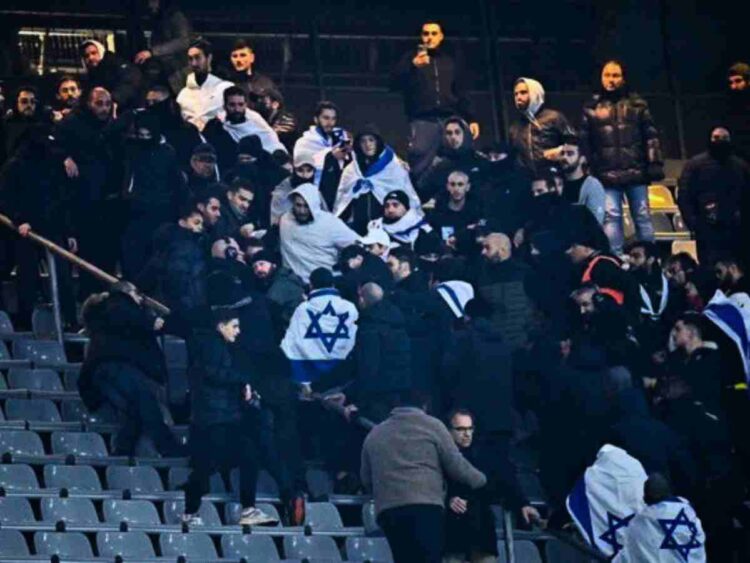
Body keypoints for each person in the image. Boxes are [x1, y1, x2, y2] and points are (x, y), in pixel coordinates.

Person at [361, 391, 487, 563]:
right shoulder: (432, 425)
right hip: (425, 507)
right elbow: (456, 465)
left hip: (389, 511)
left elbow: (366, 479)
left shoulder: (375, 434)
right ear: (425, 406)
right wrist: (482, 480)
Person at [182, 306, 277, 527]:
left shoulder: (211, 345)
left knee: (244, 457)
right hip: (215, 417)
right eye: (234, 326)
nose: (237, 331)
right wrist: (242, 380)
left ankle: (246, 509)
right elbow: (216, 374)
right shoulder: (211, 346)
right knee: (208, 466)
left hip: (220, 416)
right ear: (221, 326)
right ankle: (192, 510)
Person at [78, 282, 184, 457]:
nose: (140, 300)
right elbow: (130, 316)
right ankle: (168, 447)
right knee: (146, 401)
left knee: (133, 410)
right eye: (137, 294)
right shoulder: (119, 303)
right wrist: (151, 321)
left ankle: (122, 452)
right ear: (127, 293)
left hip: (101, 371)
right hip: (116, 366)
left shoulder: (105, 314)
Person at [580, 60, 664, 255]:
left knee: (642, 217)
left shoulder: (638, 105)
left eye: (615, 75)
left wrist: (654, 164)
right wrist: (589, 170)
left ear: (624, 78)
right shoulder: (591, 107)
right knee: (611, 218)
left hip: (637, 172)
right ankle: (616, 261)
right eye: (607, 75)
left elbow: (651, 136)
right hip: (607, 175)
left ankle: (651, 261)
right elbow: (584, 142)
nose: (611, 79)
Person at [0, 125, 77, 328]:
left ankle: (68, 319)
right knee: (28, 278)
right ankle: (26, 321)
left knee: (62, 277)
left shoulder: (52, 164)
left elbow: (62, 198)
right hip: (27, 230)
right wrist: (19, 220)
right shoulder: (14, 165)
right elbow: (7, 197)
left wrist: (68, 230)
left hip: (52, 226)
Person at [443, 409, 539, 563]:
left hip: (481, 530)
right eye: (460, 429)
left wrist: (522, 503)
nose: (466, 434)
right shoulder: (441, 457)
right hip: (452, 533)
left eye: (469, 429)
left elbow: (505, 482)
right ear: (449, 431)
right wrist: (448, 499)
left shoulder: (485, 456)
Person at [54, 86, 123, 297]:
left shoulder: (114, 126)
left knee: (108, 258)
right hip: (83, 201)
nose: (104, 109)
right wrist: (64, 157)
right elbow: (55, 144)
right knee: (88, 259)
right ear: (88, 103)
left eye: (107, 104)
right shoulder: (73, 124)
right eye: (99, 104)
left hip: (110, 201)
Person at [391, 21, 479, 182]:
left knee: (459, 157)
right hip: (423, 119)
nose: (429, 37)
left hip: (450, 118)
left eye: (433, 33)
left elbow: (461, 90)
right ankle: (420, 198)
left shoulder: (450, 61)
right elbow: (394, 84)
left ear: (441, 37)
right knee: (420, 161)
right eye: (426, 33)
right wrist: (412, 66)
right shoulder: (410, 58)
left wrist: (471, 118)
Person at [120, 109, 185, 279]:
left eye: (147, 135)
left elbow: (177, 185)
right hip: (135, 213)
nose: (144, 139)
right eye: (140, 135)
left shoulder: (167, 152)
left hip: (161, 214)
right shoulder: (131, 149)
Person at [678, 126, 749, 265]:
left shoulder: (741, 167)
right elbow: (684, 197)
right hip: (706, 229)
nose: (720, 141)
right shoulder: (694, 165)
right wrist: (694, 224)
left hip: (735, 230)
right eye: (716, 138)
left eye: (724, 138)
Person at [333, 124, 420, 233]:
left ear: (377, 142)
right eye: (363, 141)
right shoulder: (351, 170)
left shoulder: (394, 167)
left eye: (371, 140)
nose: (367, 144)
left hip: (386, 229)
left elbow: (407, 196)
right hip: (358, 228)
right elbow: (342, 199)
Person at [281, 267, 359, 384]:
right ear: (333, 284)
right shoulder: (349, 307)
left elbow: (292, 343)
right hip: (344, 371)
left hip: (311, 371)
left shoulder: (303, 309)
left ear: (311, 285)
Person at [279, 183, 360, 283]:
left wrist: (347, 264)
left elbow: (357, 244)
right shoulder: (285, 220)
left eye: (306, 206)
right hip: (292, 284)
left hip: (325, 283)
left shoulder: (330, 223)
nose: (302, 211)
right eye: (298, 205)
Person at [138, 201, 207, 314]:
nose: (200, 227)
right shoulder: (183, 246)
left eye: (201, 224)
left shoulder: (173, 244)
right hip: (179, 306)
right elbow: (179, 278)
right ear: (182, 222)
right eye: (196, 222)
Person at [202, 86, 287, 175]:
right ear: (225, 106)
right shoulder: (216, 126)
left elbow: (272, 144)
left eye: (240, 104)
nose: (237, 109)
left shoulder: (255, 120)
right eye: (232, 105)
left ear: (246, 105)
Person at [475, 233, 536, 350]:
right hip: (494, 344)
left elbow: (535, 307)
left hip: (522, 342)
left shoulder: (525, 273)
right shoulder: (480, 275)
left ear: (502, 249)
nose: (483, 252)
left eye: (487, 248)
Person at [508, 77, 573, 175]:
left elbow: (574, 143)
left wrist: (561, 151)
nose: (518, 97)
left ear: (535, 93)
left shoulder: (554, 118)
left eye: (523, 92)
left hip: (555, 178)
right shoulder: (515, 127)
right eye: (515, 94)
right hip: (528, 182)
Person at [417, 117, 488, 203]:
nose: (453, 137)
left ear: (465, 134)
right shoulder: (440, 165)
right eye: (449, 133)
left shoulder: (479, 161)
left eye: (457, 132)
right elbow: (421, 192)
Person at [293, 101, 351, 206]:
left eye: (333, 119)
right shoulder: (305, 142)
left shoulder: (337, 140)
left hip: (335, 195)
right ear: (316, 119)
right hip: (311, 197)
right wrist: (330, 156)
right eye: (326, 118)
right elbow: (302, 167)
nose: (330, 123)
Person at [133, 0, 192, 95]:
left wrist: (152, 52)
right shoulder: (157, 19)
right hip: (163, 71)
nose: (150, 5)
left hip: (177, 71)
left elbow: (182, 41)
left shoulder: (176, 16)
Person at [176, 38, 234, 131]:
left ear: (209, 58)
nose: (194, 63)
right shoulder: (183, 95)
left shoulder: (225, 88)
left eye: (198, 57)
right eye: (190, 59)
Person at [145, 84, 202, 172]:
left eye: (155, 102)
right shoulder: (143, 130)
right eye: (148, 102)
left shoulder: (187, 130)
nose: (150, 106)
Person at [250, 249, 305, 333]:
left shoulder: (281, 284)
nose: (258, 269)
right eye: (255, 267)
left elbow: (268, 308)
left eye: (262, 264)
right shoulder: (286, 278)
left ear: (273, 265)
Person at [79, 39, 142, 111]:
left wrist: (114, 100)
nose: (90, 58)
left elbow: (130, 82)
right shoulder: (91, 75)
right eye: (86, 56)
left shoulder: (116, 64)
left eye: (94, 53)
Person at [429, 170, 482, 251]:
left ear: (467, 187)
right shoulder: (437, 212)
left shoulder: (476, 210)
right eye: (453, 184)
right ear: (447, 186)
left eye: (460, 184)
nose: (456, 189)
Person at [559, 135, 606, 224]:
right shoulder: (556, 183)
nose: (564, 157)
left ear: (582, 159)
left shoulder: (592, 186)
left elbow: (595, 223)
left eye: (570, 153)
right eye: (562, 153)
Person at [367, 190, 432, 250]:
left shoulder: (423, 230)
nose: (390, 210)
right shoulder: (376, 225)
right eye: (387, 206)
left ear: (405, 207)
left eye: (395, 205)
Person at [254, 87, 298, 152]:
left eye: (263, 99)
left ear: (275, 104)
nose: (259, 101)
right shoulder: (260, 118)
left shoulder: (287, 120)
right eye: (258, 99)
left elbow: (270, 137)